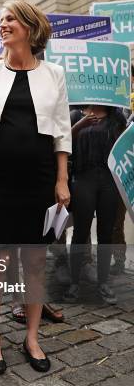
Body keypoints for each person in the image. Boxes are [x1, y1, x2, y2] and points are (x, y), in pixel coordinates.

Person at [0, 0, 71, 374]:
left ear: (28, 27)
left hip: (39, 177)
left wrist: (61, 180)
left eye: (10, 19)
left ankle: (32, 337)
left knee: (36, 261)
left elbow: (61, 130)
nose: (3, 24)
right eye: (1, 20)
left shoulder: (54, 73)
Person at [63, 105, 126, 304]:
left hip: (109, 181)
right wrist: (80, 125)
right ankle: (74, 284)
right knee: (80, 233)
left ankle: (104, 284)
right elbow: (62, 143)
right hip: (83, 179)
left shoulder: (116, 117)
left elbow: (123, 147)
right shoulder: (74, 115)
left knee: (105, 233)